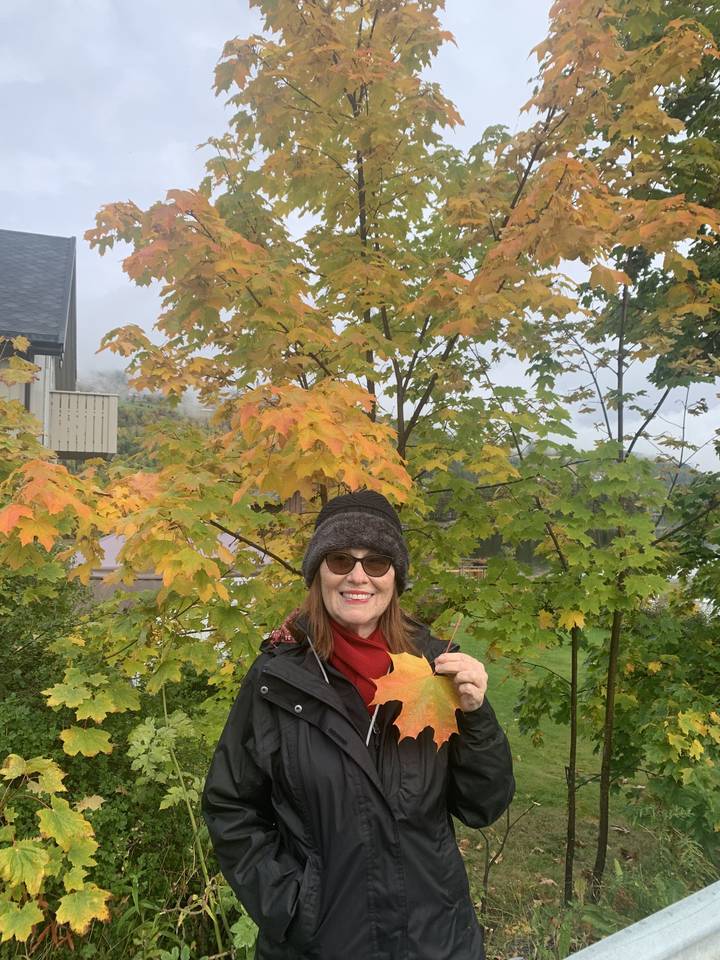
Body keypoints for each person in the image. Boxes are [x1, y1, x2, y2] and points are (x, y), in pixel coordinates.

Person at [201, 490, 515, 960]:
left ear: (395, 577)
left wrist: (476, 717)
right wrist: (289, 906)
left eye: (377, 562)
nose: (358, 576)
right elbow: (231, 804)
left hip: (435, 942)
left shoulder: (435, 668)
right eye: (340, 559)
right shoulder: (278, 679)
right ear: (317, 573)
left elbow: (482, 806)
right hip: (322, 945)